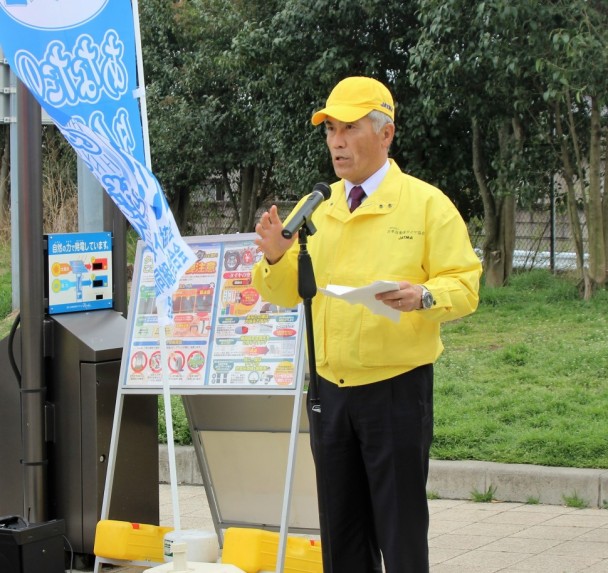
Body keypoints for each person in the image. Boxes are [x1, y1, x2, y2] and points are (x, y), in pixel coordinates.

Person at [252, 76, 482, 573]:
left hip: (396, 392)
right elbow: (282, 290)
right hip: (329, 394)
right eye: (331, 129)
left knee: (399, 533)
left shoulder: (426, 204)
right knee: (341, 535)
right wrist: (273, 259)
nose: (336, 140)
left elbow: (465, 285)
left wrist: (424, 296)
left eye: (350, 127)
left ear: (385, 134)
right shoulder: (318, 205)